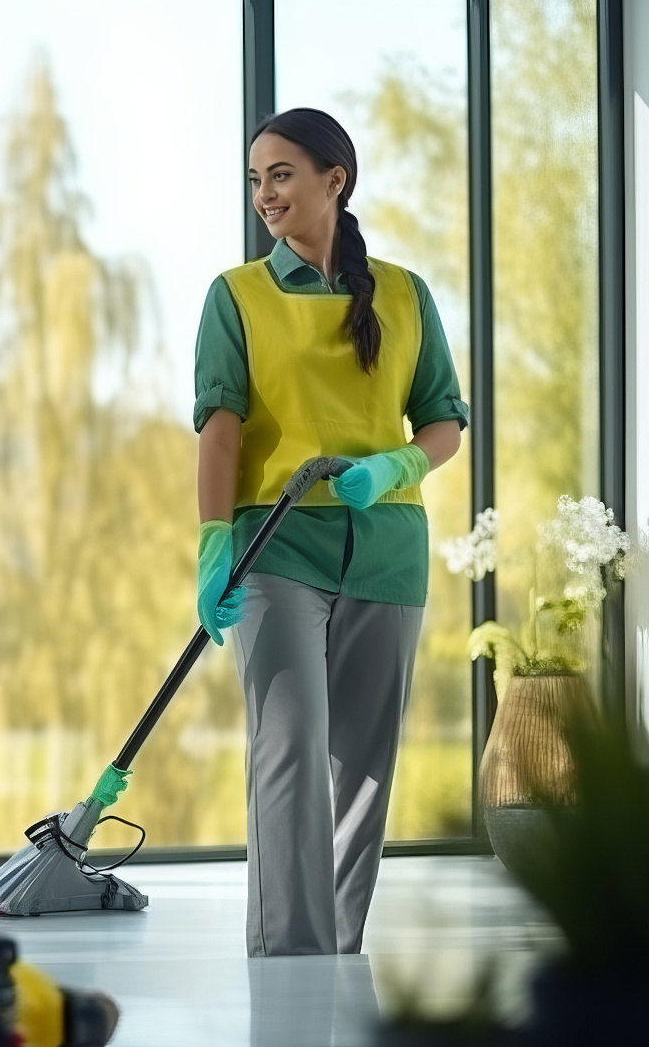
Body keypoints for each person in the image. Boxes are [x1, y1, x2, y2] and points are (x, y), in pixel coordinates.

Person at [193, 108, 466, 957]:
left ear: (333, 180)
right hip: (275, 548)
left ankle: (338, 953)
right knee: (291, 752)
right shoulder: (236, 295)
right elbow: (221, 429)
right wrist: (212, 545)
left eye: (280, 174)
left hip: (385, 548)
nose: (264, 195)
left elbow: (444, 423)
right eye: (254, 179)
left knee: (363, 768)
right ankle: (289, 955)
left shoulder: (405, 292)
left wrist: (394, 469)